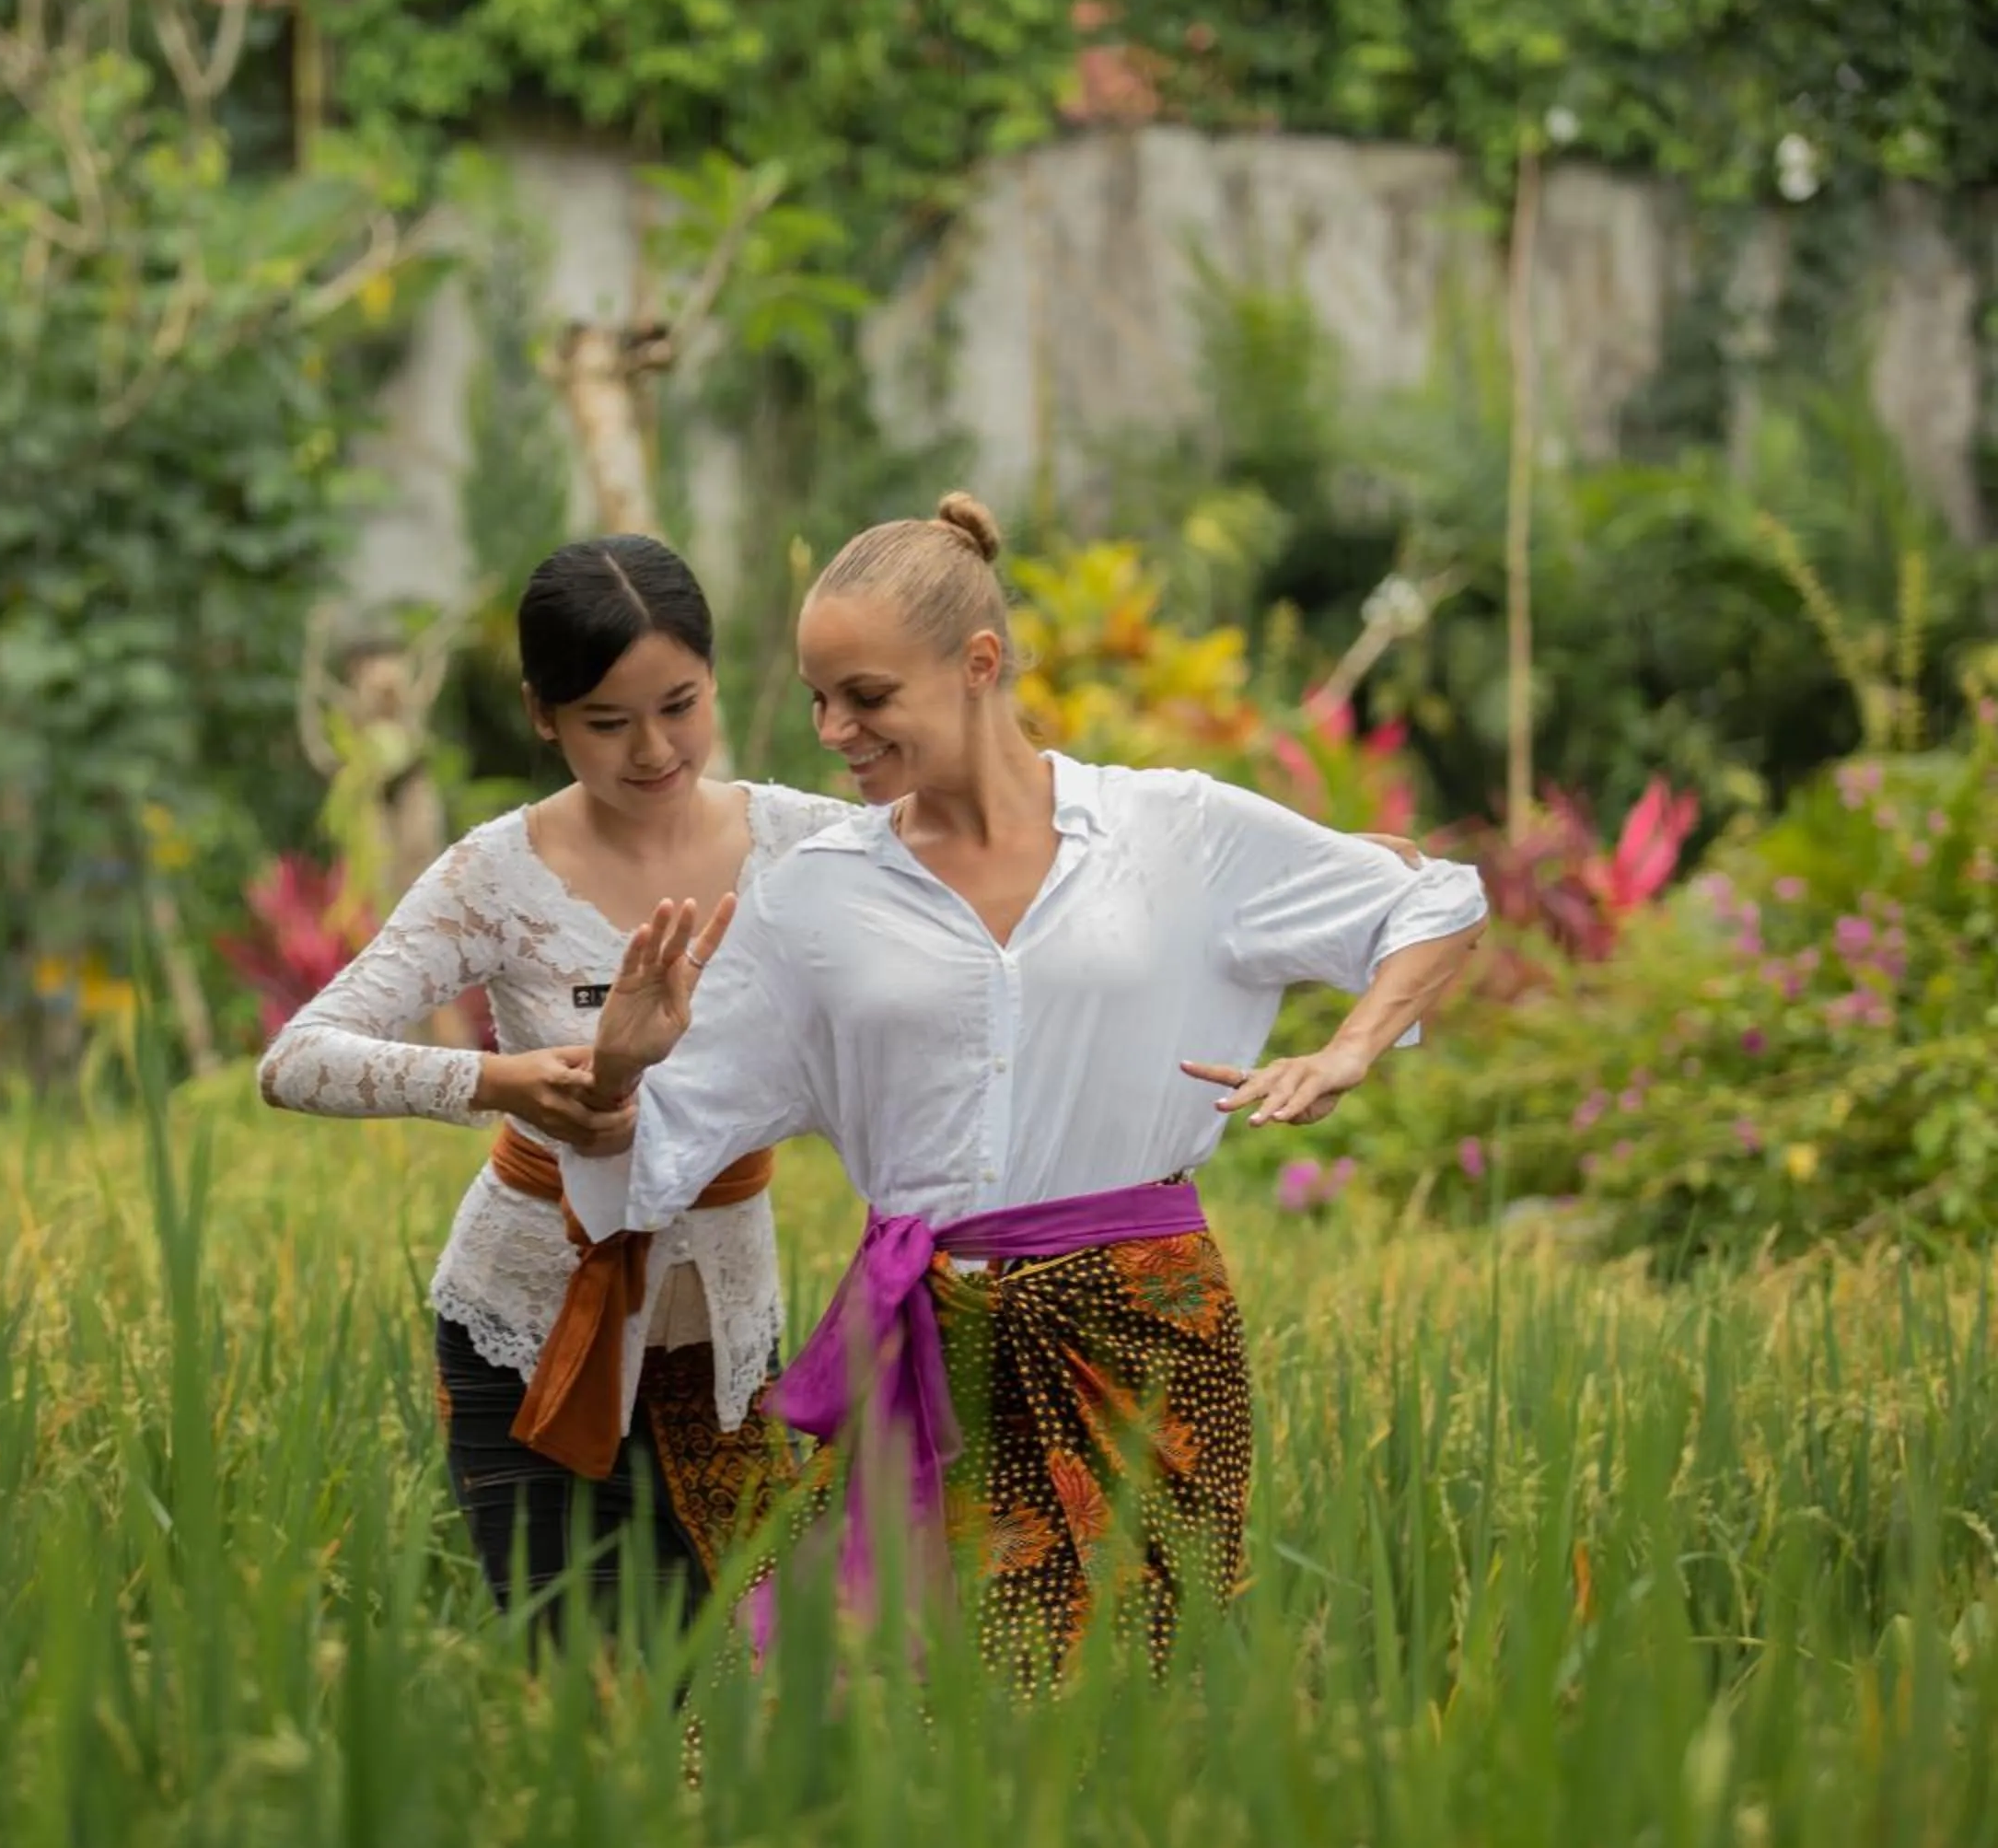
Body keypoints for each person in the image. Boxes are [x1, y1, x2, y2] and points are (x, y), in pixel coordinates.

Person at [566, 493, 1491, 1696]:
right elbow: (652, 1154)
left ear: (979, 666)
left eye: (867, 694)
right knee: (832, 1703)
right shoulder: (811, 898)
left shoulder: (1173, 830)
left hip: (1146, 1334)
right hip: (932, 1339)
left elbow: (1434, 902)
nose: (833, 727)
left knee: (1124, 1711)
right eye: (816, 696)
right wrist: (622, 1064)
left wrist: (1351, 1047)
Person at [257, 534, 856, 1641]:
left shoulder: (816, 848)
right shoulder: (497, 873)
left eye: (679, 705)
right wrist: (502, 1080)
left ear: (716, 677)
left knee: (742, 1688)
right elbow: (297, 1060)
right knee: (582, 1693)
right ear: (543, 715)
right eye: (606, 722)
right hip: (524, 1344)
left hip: (725, 1353)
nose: (652, 749)